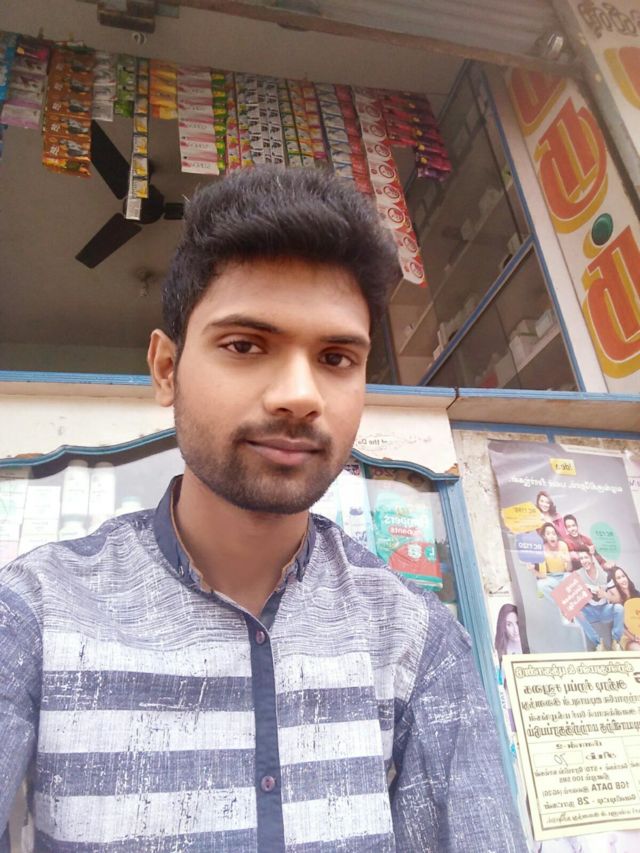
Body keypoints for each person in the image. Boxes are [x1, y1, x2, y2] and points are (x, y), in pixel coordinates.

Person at [0, 167, 526, 853]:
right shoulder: (36, 613)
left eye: (336, 357)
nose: (299, 395)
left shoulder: (415, 640)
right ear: (166, 369)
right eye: (246, 345)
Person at [575, 551, 624, 652]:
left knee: (619, 608)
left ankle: (616, 641)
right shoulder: (578, 575)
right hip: (590, 611)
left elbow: (618, 598)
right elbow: (573, 599)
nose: (584, 561)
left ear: (592, 558)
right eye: (581, 559)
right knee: (577, 613)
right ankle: (598, 643)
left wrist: (605, 594)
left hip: (604, 610)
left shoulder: (605, 575)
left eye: (586, 557)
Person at [606, 566, 640, 651]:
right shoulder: (615, 601)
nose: (623, 580)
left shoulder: (637, 595)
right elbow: (620, 625)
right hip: (627, 637)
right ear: (614, 583)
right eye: (618, 578)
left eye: (623, 576)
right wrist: (634, 637)